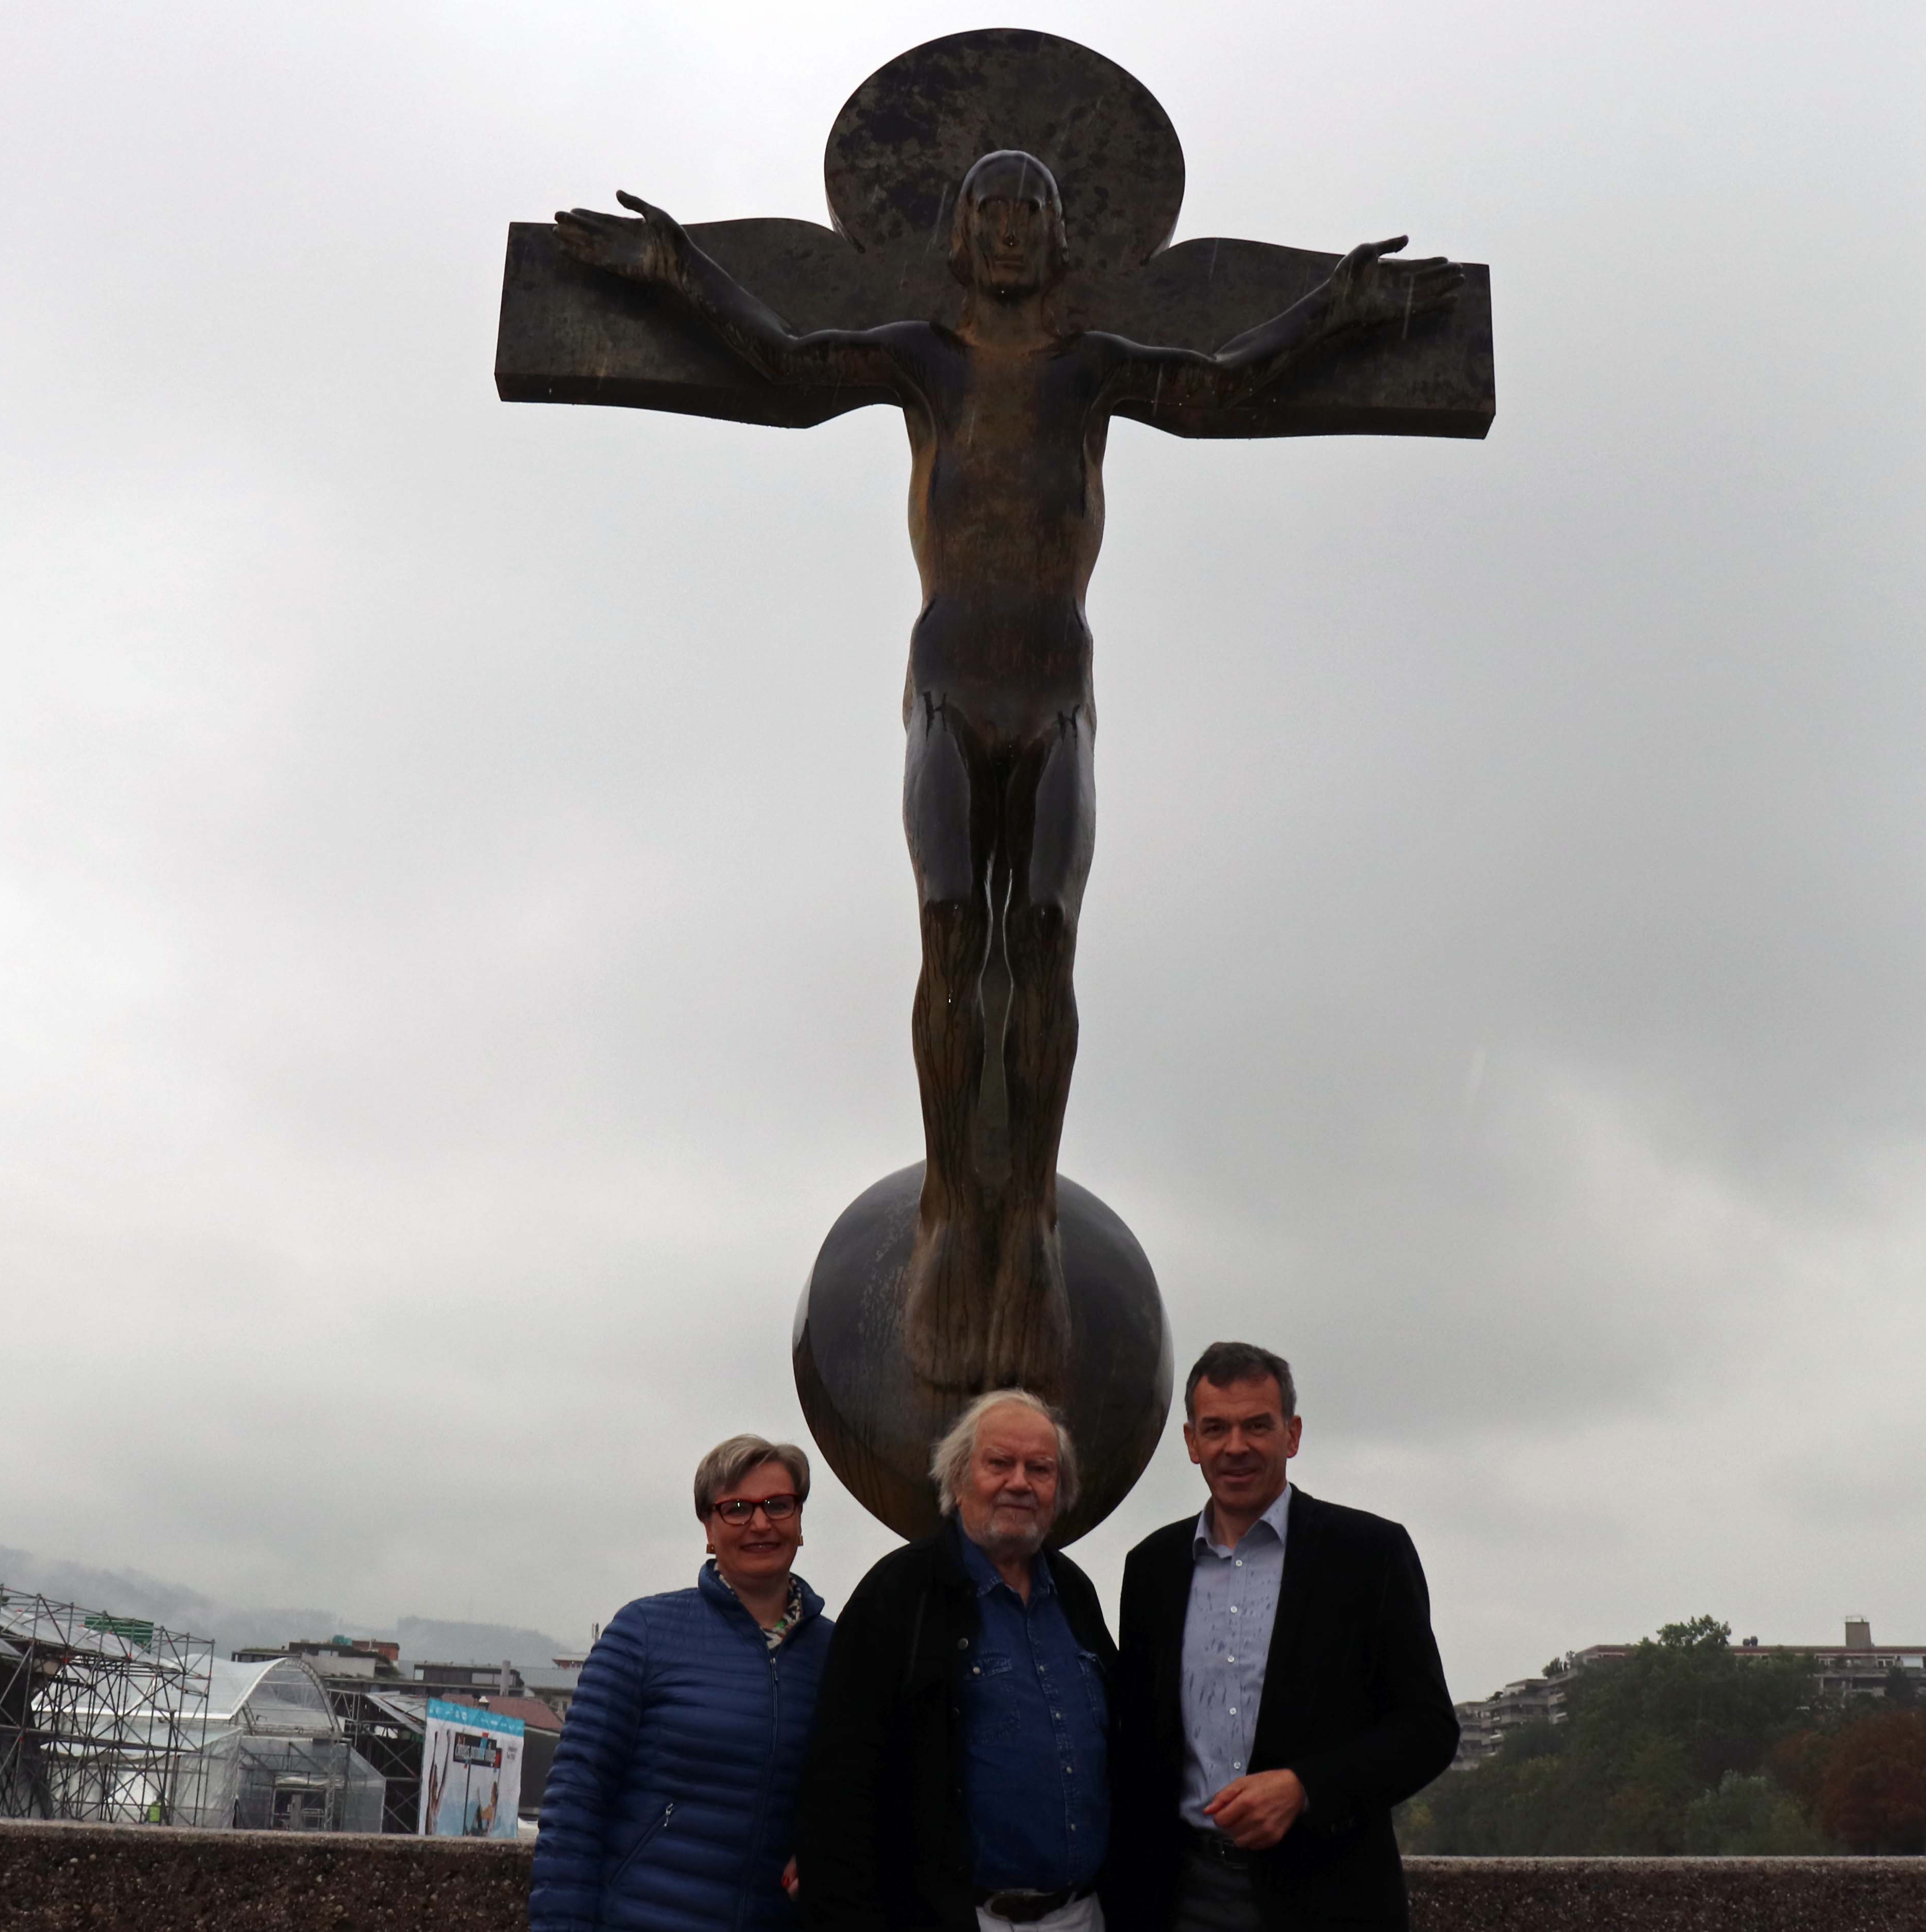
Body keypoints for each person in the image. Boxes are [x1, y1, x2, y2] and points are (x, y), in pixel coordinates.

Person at [552, 158, 1463, 1398]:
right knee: (947, 933)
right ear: (961, 238)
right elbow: (783, 358)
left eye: (1033, 214)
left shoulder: (1089, 368)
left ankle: (1022, 1215)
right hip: (948, 677)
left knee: (1036, 938)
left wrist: (1338, 310)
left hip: (1052, 686)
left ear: (1056, 238)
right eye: (991, 216)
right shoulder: (923, 357)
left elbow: (1217, 383)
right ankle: (949, 1206)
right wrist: (679, 274)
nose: (1011, 235)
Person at [1107, 1345, 1456, 1932]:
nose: (1235, 1446)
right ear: (1191, 1443)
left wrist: (1305, 1788)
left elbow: (1428, 1729)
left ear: (1291, 1435)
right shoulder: (1151, 1569)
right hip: (1179, 1896)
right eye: (1215, 1428)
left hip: (1329, 1899)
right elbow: (1138, 1744)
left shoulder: (1369, 1554)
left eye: (1256, 1426)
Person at [798, 1390, 1114, 1932]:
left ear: (1058, 1488)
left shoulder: (1074, 1592)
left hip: (1082, 1914)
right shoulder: (898, 1593)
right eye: (999, 1463)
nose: (1019, 1482)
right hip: (958, 1916)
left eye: (1039, 1468)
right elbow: (839, 1791)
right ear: (958, 1475)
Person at [532, 1435, 832, 1932]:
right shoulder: (644, 1632)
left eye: (778, 1505)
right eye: (736, 1508)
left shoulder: (838, 1653)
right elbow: (575, 1803)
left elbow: (872, 1794)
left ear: (799, 1520)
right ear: (709, 1528)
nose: (760, 1522)